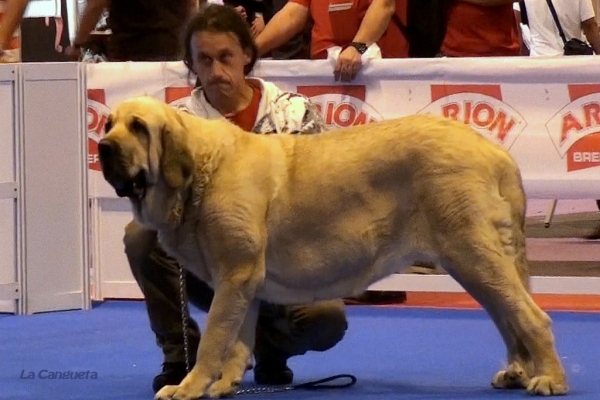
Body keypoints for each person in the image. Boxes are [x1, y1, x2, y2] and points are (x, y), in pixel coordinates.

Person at [122, 4, 348, 393]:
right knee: (141, 234)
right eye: (204, 61)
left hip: (285, 263)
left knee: (327, 318)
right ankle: (183, 354)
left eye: (225, 57)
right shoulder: (176, 121)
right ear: (191, 64)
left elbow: (323, 199)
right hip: (208, 267)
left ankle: (265, 353)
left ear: (247, 53)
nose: (216, 72)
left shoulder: (294, 113)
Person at [254, 0, 408, 82]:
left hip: (379, 75)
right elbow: (294, 12)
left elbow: (384, 6)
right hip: (326, 75)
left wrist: (357, 47)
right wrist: (251, 50)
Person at [67, 0, 198, 61]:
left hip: (131, 47)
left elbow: (96, 4)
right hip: (173, 46)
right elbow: (192, 5)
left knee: (129, 109)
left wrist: (78, 44)